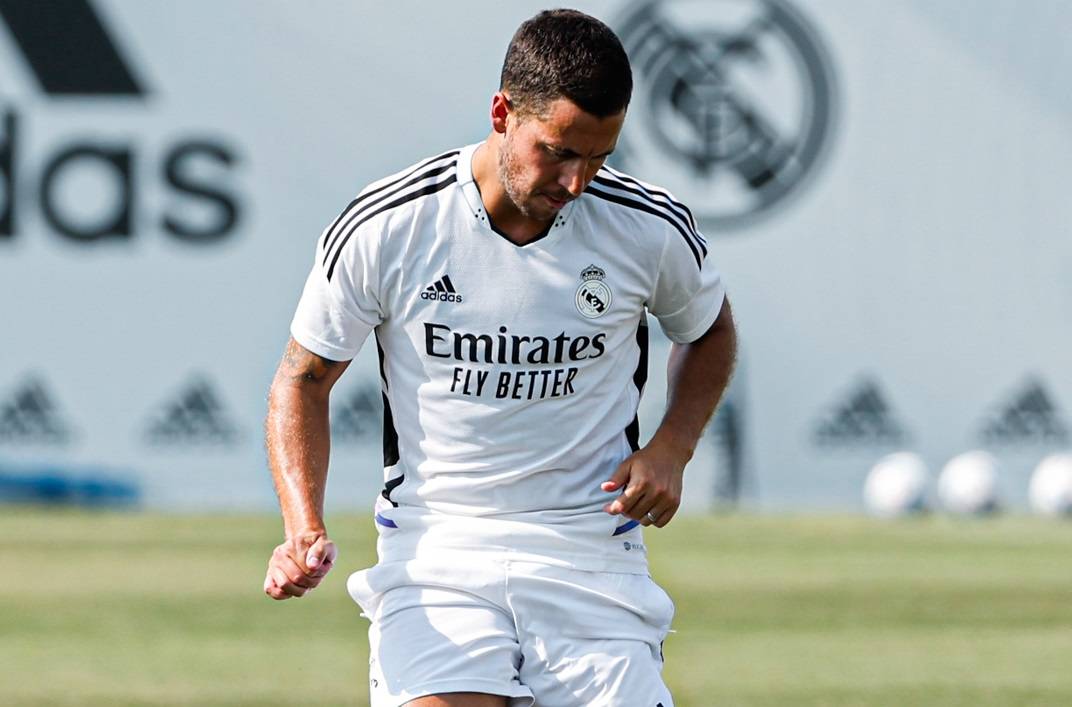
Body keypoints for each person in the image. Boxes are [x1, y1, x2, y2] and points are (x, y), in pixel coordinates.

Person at [264, 8, 736, 706]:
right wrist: (303, 526)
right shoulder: (390, 224)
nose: (577, 182)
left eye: (600, 157)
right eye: (559, 152)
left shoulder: (646, 225)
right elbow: (301, 380)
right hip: (437, 550)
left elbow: (710, 330)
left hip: (589, 547)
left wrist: (673, 447)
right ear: (502, 113)